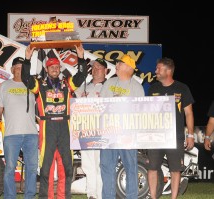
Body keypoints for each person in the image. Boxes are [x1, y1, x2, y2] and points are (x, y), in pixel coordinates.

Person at [21, 44, 88, 199]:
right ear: (46, 68)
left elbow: (82, 75)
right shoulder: (40, 85)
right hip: (48, 127)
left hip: (65, 127)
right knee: (46, 168)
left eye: (57, 66)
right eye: (51, 67)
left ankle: (64, 197)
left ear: (59, 68)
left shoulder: (67, 84)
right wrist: (27, 58)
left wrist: (81, 57)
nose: (55, 69)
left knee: (67, 167)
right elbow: (25, 78)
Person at [147, 57, 194, 199]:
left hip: (175, 137)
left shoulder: (182, 88)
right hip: (155, 136)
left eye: (158, 68)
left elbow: (189, 113)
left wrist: (190, 135)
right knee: (152, 168)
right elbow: (146, 113)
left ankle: (174, 198)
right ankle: (153, 197)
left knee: (175, 170)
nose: (155, 71)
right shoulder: (153, 88)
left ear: (168, 71)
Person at [99, 54, 145, 199]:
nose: (117, 65)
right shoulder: (109, 82)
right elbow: (101, 105)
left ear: (129, 68)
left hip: (127, 135)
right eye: (117, 63)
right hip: (108, 133)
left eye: (120, 63)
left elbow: (141, 111)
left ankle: (131, 197)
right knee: (106, 167)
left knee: (131, 167)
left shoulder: (137, 87)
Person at [0, 56, 38, 199]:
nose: (20, 70)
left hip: (32, 134)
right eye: (17, 67)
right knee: (9, 168)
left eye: (23, 68)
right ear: (12, 69)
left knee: (32, 168)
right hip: (11, 134)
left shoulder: (33, 85)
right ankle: (9, 196)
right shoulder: (4, 86)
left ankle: (30, 196)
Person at [74, 58, 108, 199]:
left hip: (103, 132)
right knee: (88, 165)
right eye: (93, 67)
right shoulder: (83, 87)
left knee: (100, 165)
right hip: (86, 131)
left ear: (106, 71)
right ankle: (91, 195)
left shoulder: (110, 86)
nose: (95, 69)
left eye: (99, 67)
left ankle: (100, 195)